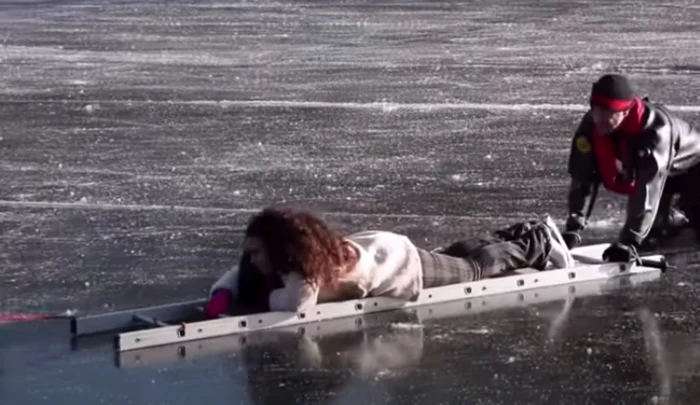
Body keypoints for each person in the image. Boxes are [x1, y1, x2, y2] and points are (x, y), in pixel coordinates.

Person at [204, 207, 574, 317]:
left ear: (276, 249)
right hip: (382, 248)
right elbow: (240, 272)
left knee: (472, 270)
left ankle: (538, 243)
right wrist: (222, 293)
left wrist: (246, 303)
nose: (250, 260)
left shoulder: (306, 273)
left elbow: (296, 304)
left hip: (400, 265)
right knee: (455, 255)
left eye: (255, 252)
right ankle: (520, 229)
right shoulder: (289, 258)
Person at [563, 73, 700, 260]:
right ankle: (669, 218)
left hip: (693, 170)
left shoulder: (656, 132)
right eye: (596, 110)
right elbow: (583, 177)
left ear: (626, 112)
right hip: (668, 175)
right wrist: (574, 227)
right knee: (657, 231)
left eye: (609, 112)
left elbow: (647, 189)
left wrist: (629, 241)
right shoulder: (591, 125)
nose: (600, 118)